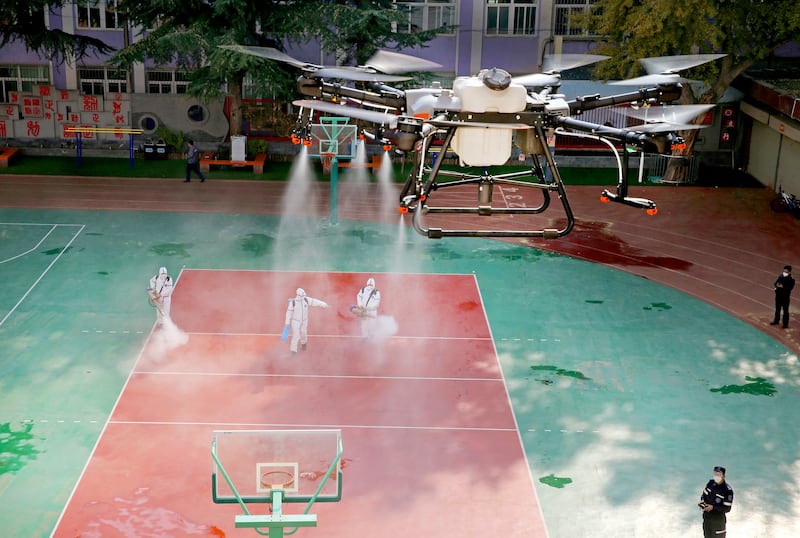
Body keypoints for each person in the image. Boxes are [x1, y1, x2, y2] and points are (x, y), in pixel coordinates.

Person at [283, 288, 329, 354]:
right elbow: (288, 313)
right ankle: (293, 351)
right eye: (302, 295)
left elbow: (315, 301)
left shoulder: (306, 299)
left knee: (303, 333)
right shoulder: (293, 303)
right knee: (296, 336)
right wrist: (287, 323)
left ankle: (303, 343)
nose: (304, 296)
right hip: (295, 321)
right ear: (298, 295)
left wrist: (323, 304)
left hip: (304, 321)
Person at [699, 465, 734, 538]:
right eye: (715, 474)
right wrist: (702, 502)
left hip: (718, 522)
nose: (716, 476)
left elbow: (727, 509)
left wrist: (713, 508)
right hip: (707, 519)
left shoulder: (727, 490)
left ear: (723, 476)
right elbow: (703, 495)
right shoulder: (710, 483)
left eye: (719, 474)